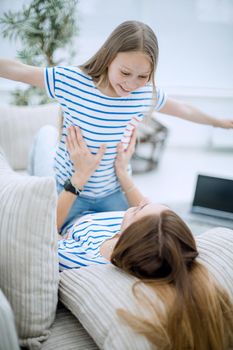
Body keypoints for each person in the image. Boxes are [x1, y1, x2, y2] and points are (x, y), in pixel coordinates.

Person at [1, 20, 233, 230]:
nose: (131, 84)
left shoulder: (145, 94)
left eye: (143, 76)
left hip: (112, 191)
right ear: (108, 56)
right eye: (125, 72)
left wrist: (218, 123)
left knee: (144, 236)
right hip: (69, 188)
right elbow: (20, 71)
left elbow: (183, 108)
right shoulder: (73, 81)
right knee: (46, 234)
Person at [57, 125, 233, 350]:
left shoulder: (85, 260)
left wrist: (79, 178)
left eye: (140, 209)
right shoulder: (157, 239)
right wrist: (123, 173)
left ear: (126, 235)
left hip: (68, 211)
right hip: (104, 210)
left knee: (44, 140)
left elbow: (47, 232)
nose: (140, 202)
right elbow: (152, 219)